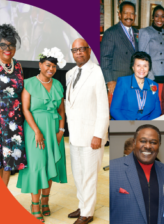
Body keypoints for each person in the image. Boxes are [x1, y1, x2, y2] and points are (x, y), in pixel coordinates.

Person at [16, 47, 67, 223]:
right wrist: (37, 131)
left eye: (54, 66)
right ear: (40, 65)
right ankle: (35, 204)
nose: (51, 69)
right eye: (47, 65)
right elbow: (25, 109)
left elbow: (61, 110)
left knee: (50, 164)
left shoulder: (58, 84)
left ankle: (45, 200)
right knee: (37, 166)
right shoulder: (29, 83)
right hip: (34, 129)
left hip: (54, 130)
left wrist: (61, 131)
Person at [63, 39, 109, 224]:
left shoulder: (97, 72)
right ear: (72, 53)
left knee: (89, 175)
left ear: (89, 51)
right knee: (78, 174)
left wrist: (99, 134)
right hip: (75, 134)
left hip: (92, 136)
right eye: (75, 50)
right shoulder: (70, 73)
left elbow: (103, 108)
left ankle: (87, 213)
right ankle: (83, 205)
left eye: (82, 49)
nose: (79, 53)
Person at [109, 124, 164, 224]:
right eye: (143, 141)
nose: (147, 146)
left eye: (153, 142)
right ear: (134, 143)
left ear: (159, 145)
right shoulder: (113, 168)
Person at [0, 24, 25, 186]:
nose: (7, 49)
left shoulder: (17, 66)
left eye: (11, 45)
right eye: (3, 45)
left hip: (14, 123)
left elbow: (21, 93)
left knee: (9, 164)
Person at [110, 51, 162, 120]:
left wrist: (147, 125)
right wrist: (129, 127)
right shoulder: (123, 82)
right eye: (138, 65)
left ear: (149, 68)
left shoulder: (153, 85)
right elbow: (114, 110)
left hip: (144, 126)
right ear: (133, 67)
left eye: (145, 66)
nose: (142, 69)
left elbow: (157, 110)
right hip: (123, 123)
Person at [101, 1, 138, 94]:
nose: (129, 16)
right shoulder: (111, 33)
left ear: (135, 16)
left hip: (134, 80)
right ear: (119, 14)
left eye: (132, 13)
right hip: (117, 81)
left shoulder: (138, 32)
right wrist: (109, 81)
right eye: (126, 13)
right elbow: (105, 58)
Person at [138, 5, 164, 84]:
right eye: (157, 16)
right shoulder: (145, 32)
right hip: (153, 75)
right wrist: (150, 77)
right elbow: (143, 57)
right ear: (153, 17)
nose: (160, 19)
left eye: (162, 16)